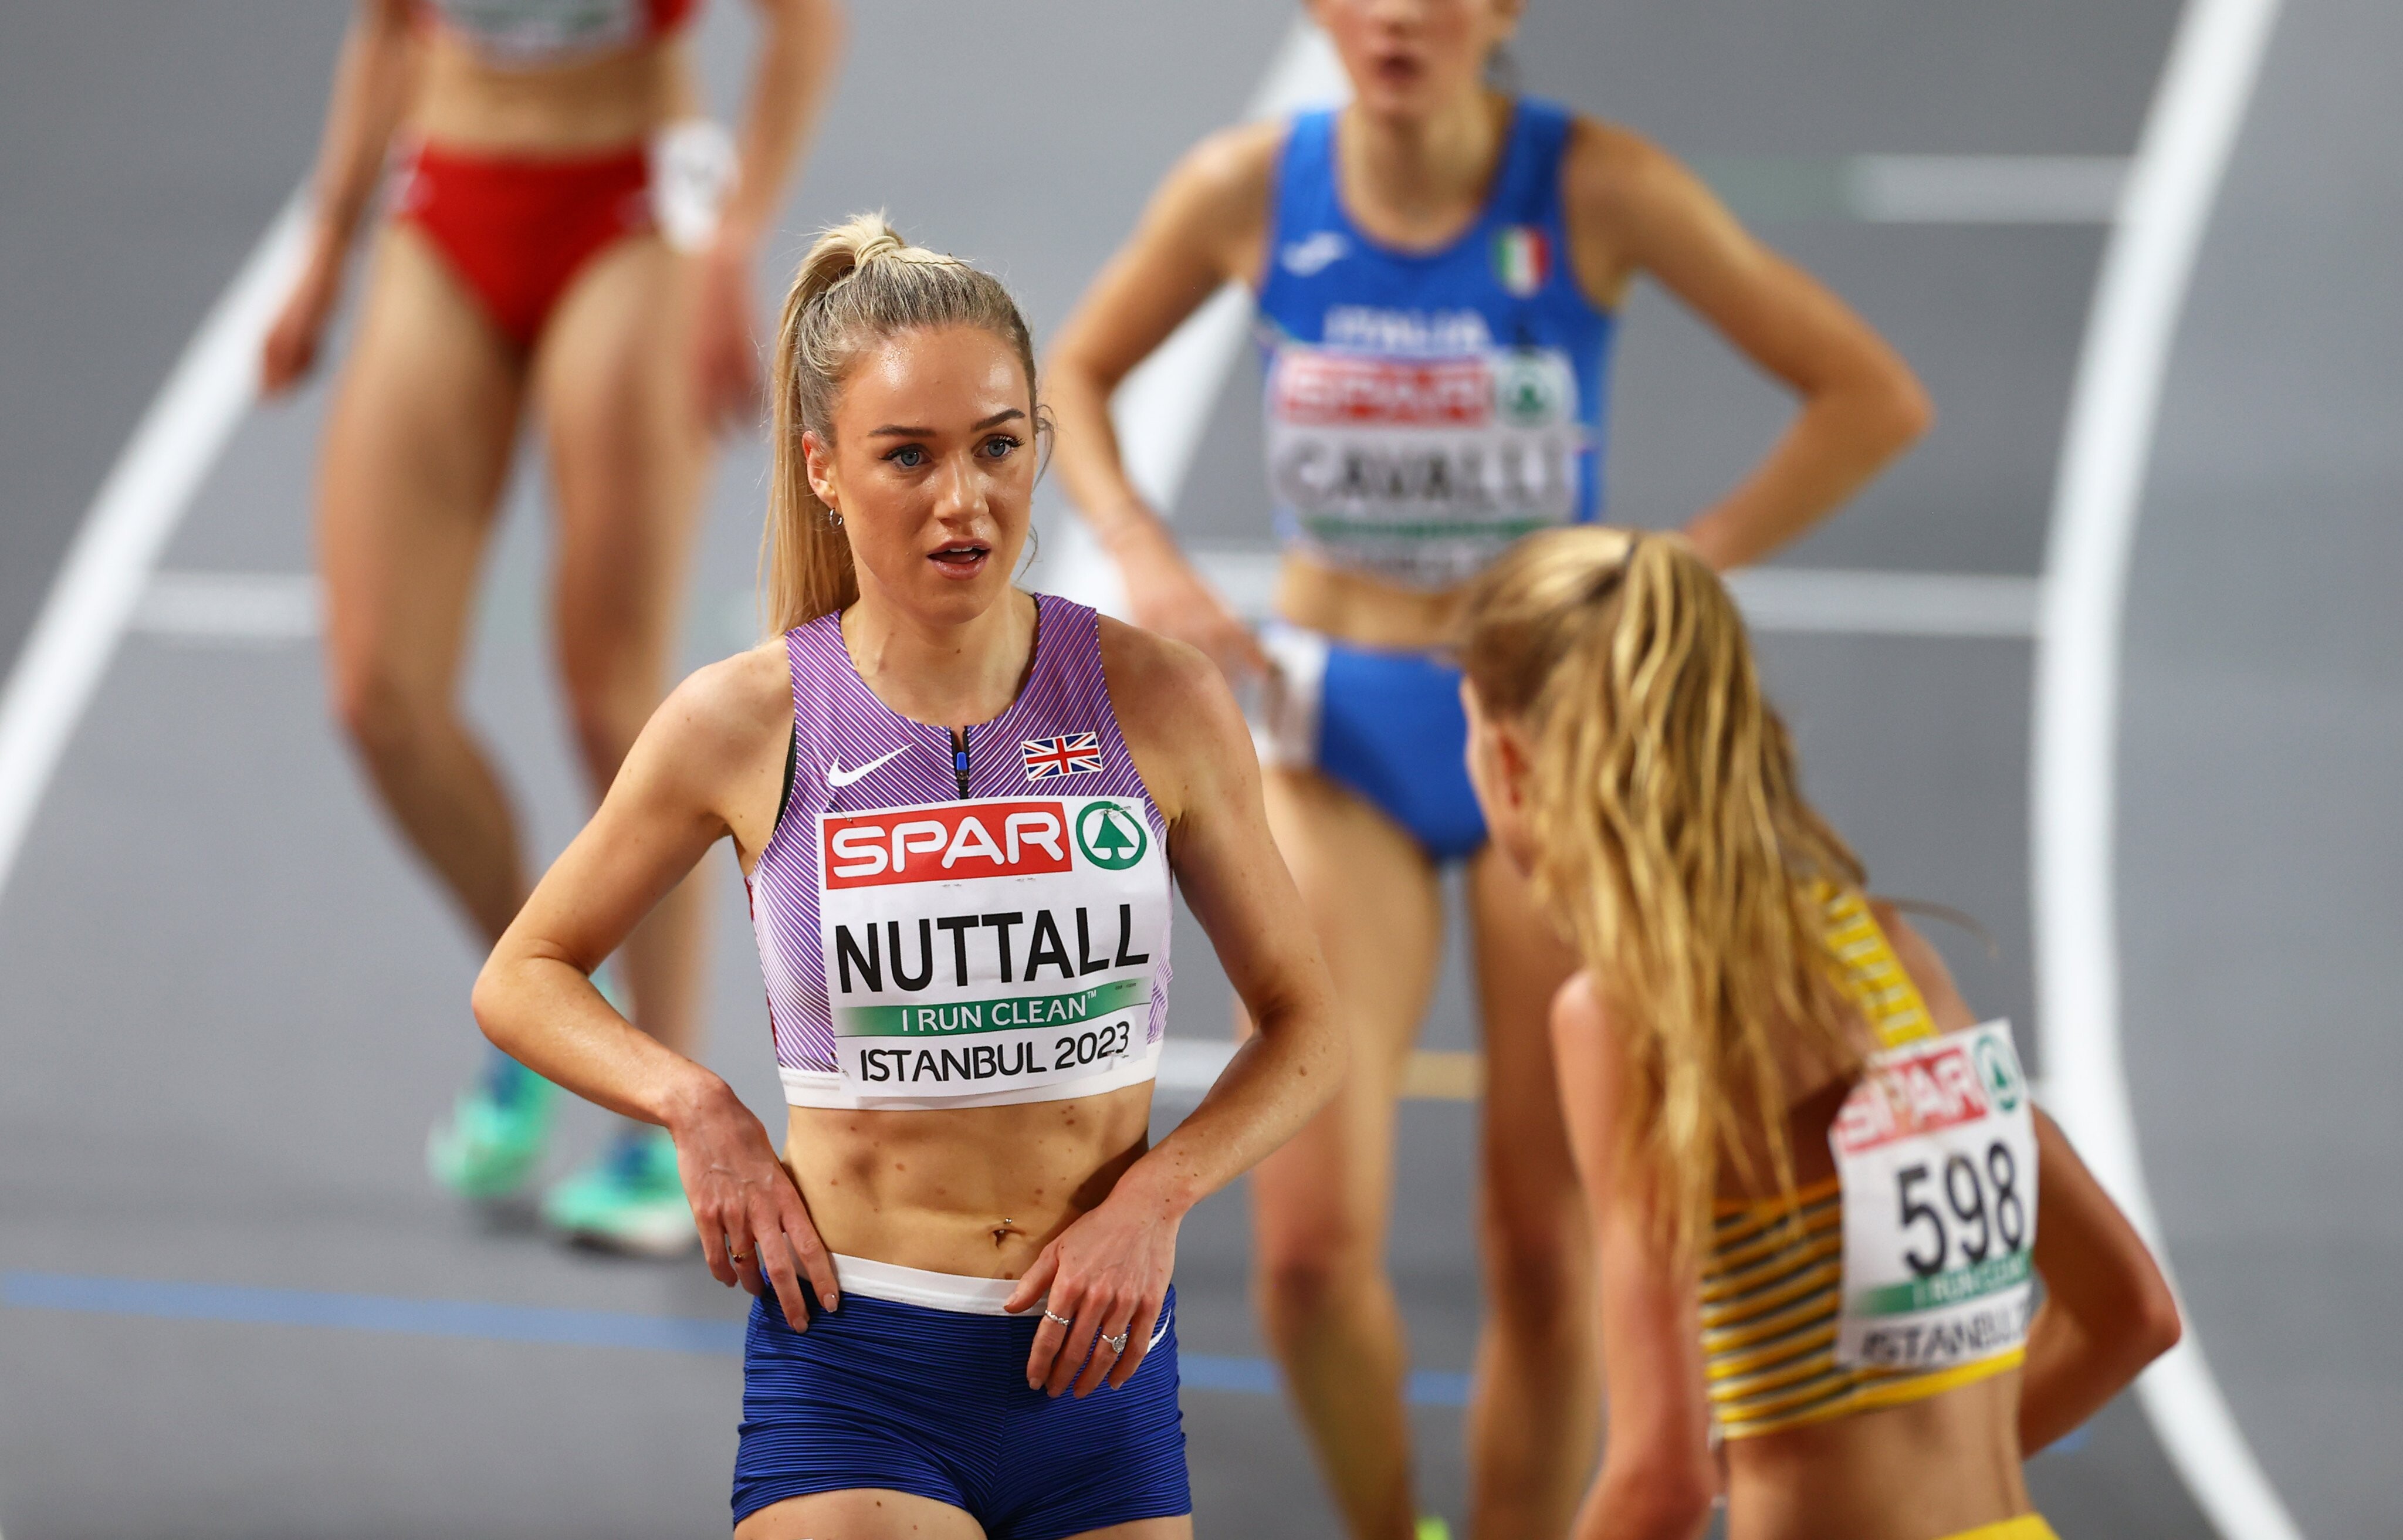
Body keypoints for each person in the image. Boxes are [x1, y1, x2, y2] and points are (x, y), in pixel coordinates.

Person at [1044, 1, 1931, 1531]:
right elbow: (1075, 369)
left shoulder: (1597, 186)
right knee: (1304, 1255)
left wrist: (1670, 569)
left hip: (1553, 737)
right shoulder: (1246, 188)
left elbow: (1869, 394)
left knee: (1542, 1238)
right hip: (1337, 736)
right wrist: (1143, 552)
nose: (1401, 14)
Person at [473, 215, 1345, 1539]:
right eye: (908, 456)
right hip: (859, 1365)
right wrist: (695, 1107)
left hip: (1101, 1366)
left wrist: (1158, 1195)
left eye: (998, 445)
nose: (964, 500)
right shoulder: (744, 720)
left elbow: (1308, 1021)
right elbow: (522, 974)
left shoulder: (1158, 701)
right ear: (821, 466)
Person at [1455, 526, 2184, 1540]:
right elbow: (2130, 1311)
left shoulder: (1624, 1020)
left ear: (1510, 763)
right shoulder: (1883, 950)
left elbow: (1661, 1479)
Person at [259, 0, 841, 1250]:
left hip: (630, 209)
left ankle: (668, 1130)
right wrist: (322, 253)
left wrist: (737, 237)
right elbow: (386, 29)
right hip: (446, 198)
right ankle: (544, 991)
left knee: (608, 697)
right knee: (377, 695)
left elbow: (804, 26)